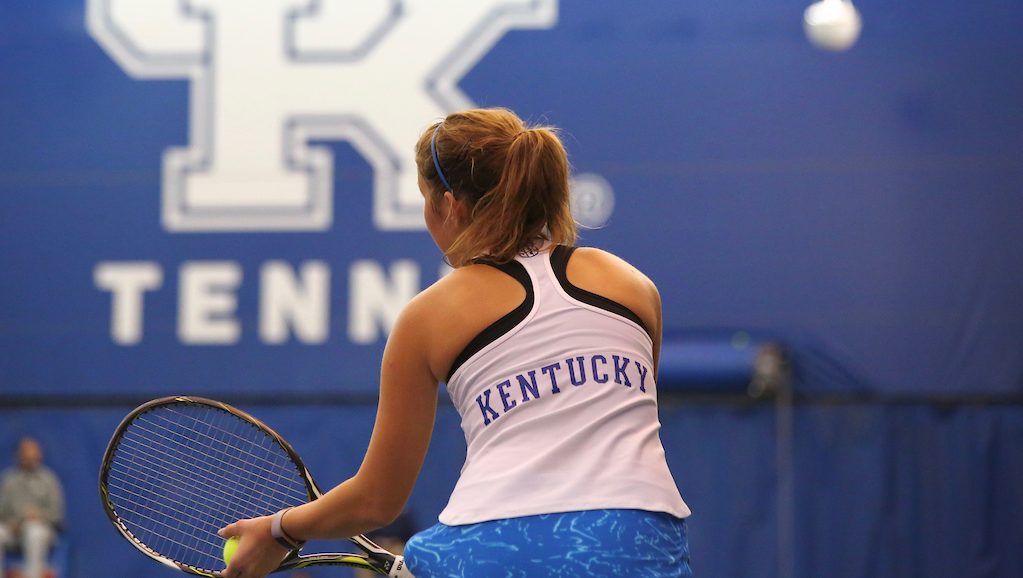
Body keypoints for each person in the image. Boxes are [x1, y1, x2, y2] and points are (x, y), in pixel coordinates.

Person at [221, 108, 691, 578]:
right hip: (639, 536)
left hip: (492, 544)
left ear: (450, 205)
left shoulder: (428, 317)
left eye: (425, 200)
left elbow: (376, 501)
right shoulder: (635, 287)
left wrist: (279, 529)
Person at [0, 437, 65, 578]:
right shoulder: (8, 479)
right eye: (26, 453)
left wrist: (37, 516)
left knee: (34, 530)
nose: (30, 457)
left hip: (40, 530)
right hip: (12, 530)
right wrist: (14, 521)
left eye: (33, 453)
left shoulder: (49, 479)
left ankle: (33, 575)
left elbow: (57, 515)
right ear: (19, 456)